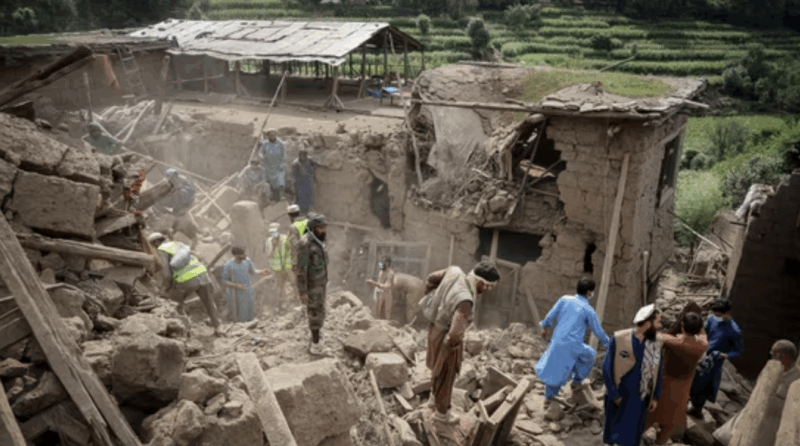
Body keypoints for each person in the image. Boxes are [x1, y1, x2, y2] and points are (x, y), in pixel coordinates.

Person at [423, 260, 500, 424]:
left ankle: (432, 400)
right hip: (446, 337)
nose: (488, 290)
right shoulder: (465, 300)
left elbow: (431, 278)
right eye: (489, 286)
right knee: (446, 374)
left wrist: (433, 300)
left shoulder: (454, 271)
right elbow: (455, 335)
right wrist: (449, 352)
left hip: (434, 328)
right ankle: (441, 414)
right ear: (482, 283)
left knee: (436, 370)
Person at [536, 279, 610, 415]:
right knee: (590, 355)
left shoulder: (564, 299)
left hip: (557, 342)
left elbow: (550, 315)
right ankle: (576, 382)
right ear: (589, 292)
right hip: (573, 346)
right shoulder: (588, 310)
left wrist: (545, 327)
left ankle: (548, 399)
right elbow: (598, 331)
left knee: (554, 370)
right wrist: (608, 344)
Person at [713, 340, 799, 445]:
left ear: (783, 356)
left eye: (774, 354)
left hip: (771, 425)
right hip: (753, 412)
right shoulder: (770, 368)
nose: (771, 357)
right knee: (722, 437)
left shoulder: (796, 378)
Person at [603, 304, 664, 446]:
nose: (660, 326)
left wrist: (655, 396)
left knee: (632, 436)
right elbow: (606, 367)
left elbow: (658, 370)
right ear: (648, 323)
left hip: (640, 398)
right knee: (613, 433)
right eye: (658, 322)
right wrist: (614, 394)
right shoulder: (619, 338)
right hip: (620, 396)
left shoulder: (656, 343)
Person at [645, 312, 708, 445]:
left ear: (682, 326)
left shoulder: (673, 341)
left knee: (649, 415)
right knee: (669, 422)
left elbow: (656, 336)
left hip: (664, 383)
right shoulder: (702, 345)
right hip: (682, 388)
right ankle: (659, 443)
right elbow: (703, 334)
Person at [149, 232, 222, 334]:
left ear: (157, 242)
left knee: (175, 302)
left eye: (153, 245)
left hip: (187, 279)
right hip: (202, 274)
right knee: (209, 302)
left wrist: (167, 287)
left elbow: (167, 274)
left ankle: (184, 328)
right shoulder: (178, 243)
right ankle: (218, 326)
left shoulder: (162, 250)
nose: (154, 248)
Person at [688, 298, 743, 418]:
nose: (716, 317)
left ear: (726, 313)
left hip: (715, 361)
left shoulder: (735, 331)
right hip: (703, 353)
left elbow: (737, 351)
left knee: (705, 385)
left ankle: (697, 409)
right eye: (715, 314)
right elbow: (705, 331)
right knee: (693, 379)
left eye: (719, 315)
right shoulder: (712, 318)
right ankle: (691, 400)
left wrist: (725, 355)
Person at [296, 213, 329, 355]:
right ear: (313, 228)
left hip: (320, 284)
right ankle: (315, 346)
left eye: (324, 227)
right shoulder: (305, 244)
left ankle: (316, 340)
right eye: (320, 228)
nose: (323, 230)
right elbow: (301, 270)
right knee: (315, 313)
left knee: (320, 311)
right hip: (312, 286)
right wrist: (303, 291)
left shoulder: (319, 242)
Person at [220, 245, 271, 323]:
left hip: (247, 290)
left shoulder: (247, 260)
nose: (244, 255)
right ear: (236, 255)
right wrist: (236, 286)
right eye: (242, 254)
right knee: (238, 314)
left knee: (249, 313)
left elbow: (253, 271)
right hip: (235, 293)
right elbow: (224, 281)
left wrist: (262, 272)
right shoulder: (228, 265)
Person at [266, 222, 294, 311]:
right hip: (277, 268)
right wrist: (273, 247)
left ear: (279, 231)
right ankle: (283, 303)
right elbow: (268, 255)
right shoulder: (269, 241)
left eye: (275, 231)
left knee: (294, 282)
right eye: (271, 232)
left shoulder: (285, 238)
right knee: (280, 286)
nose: (273, 234)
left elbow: (291, 250)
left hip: (287, 266)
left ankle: (296, 301)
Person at [258, 129, 286, 202]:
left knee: (279, 182)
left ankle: (279, 198)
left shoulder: (281, 144)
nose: (272, 136)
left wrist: (282, 164)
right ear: (268, 136)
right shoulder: (265, 144)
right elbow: (260, 152)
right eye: (270, 135)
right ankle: (269, 199)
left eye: (273, 135)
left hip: (278, 166)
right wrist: (261, 156)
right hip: (268, 166)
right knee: (268, 183)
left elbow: (284, 155)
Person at [367, 255, 395, 321]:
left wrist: (374, 283)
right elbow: (379, 282)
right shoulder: (381, 271)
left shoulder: (390, 273)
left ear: (388, 263)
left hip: (387, 293)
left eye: (384, 261)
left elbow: (387, 286)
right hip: (378, 292)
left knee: (387, 314)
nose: (381, 263)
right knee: (376, 312)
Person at [291, 148, 318, 215]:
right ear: (299, 155)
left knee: (309, 197)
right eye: (302, 155)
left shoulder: (309, 160)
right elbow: (294, 176)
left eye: (305, 155)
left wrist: (314, 177)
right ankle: (301, 212)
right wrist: (295, 186)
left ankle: (307, 211)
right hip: (300, 184)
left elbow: (314, 166)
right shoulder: (296, 163)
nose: (304, 157)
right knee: (300, 198)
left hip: (308, 182)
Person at [287, 204, 308, 268]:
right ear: (299, 213)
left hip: (302, 259)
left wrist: (293, 262)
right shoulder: (308, 222)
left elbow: (295, 245)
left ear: (290, 216)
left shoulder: (293, 227)